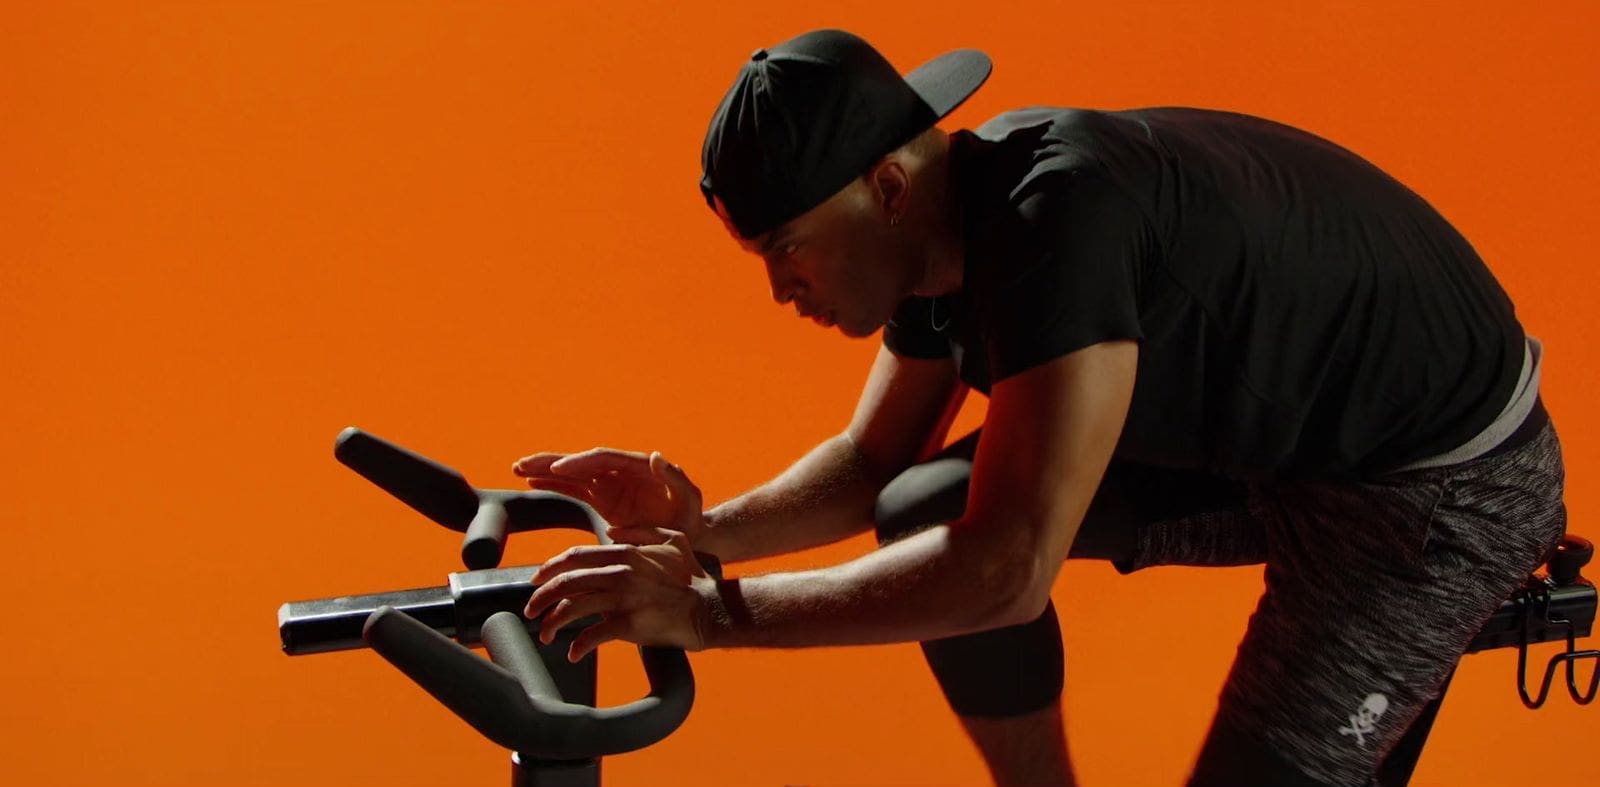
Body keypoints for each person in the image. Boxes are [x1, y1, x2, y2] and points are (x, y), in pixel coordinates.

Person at [513, 28, 1567, 786]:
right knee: (923, 502)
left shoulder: (1055, 222)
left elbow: (1006, 571)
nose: (782, 289)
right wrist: (698, 535)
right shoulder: (942, 233)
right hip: (1276, 444)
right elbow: (872, 464)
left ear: (887, 188)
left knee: (987, 552)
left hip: (1430, 490)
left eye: (787, 248)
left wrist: (709, 612)